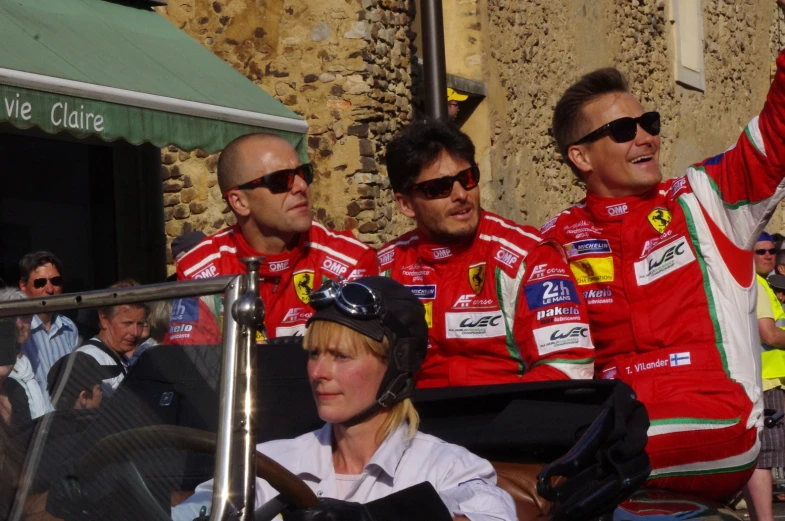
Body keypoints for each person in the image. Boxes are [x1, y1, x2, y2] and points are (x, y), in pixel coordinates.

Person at [541, 37, 785, 500]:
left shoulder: (703, 201)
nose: (647, 137)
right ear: (581, 156)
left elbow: (774, 139)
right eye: (623, 130)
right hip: (613, 442)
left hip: (714, 426)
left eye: (648, 123)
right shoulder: (556, 240)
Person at [172, 277, 516, 521]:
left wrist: (369, 518)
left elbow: (493, 516)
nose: (318, 372)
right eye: (314, 354)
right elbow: (191, 513)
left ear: (396, 366)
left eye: (341, 356)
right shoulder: (267, 464)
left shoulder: (447, 468)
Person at [379, 119, 594, 387]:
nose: (461, 194)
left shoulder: (528, 257)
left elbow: (568, 364)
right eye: (439, 188)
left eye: (467, 179)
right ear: (406, 204)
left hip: (505, 417)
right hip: (411, 421)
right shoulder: (383, 269)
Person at [169, 133, 379, 344]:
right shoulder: (199, 271)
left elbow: (353, 364)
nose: (301, 187)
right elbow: (193, 369)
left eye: (303, 174)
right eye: (280, 180)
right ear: (239, 202)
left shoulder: (351, 260)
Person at [749, 231, 785, 521]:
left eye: (772, 251)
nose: (769, 256)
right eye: (761, 251)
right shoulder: (758, 287)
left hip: (765, 379)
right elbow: (769, 335)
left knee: (762, 456)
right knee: (766, 457)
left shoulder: (762, 284)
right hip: (767, 382)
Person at [17, 252, 79, 404]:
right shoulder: (17, 331)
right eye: (40, 283)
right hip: (33, 423)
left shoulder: (69, 327)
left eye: (55, 281)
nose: (50, 289)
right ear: (23, 286)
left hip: (66, 419)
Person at [76, 280, 149, 398]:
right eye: (127, 324)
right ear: (104, 319)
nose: (135, 332)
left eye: (140, 324)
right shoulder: (90, 360)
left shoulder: (119, 357)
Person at [0, 289, 49, 419]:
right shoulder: (3, 366)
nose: (20, 324)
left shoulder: (26, 360)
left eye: (25, 316)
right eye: (12, 317)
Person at [47, 352, 122, 411]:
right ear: (84, 397)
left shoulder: (46, 427)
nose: (102, 391)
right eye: (99, 388)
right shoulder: (99, 427)